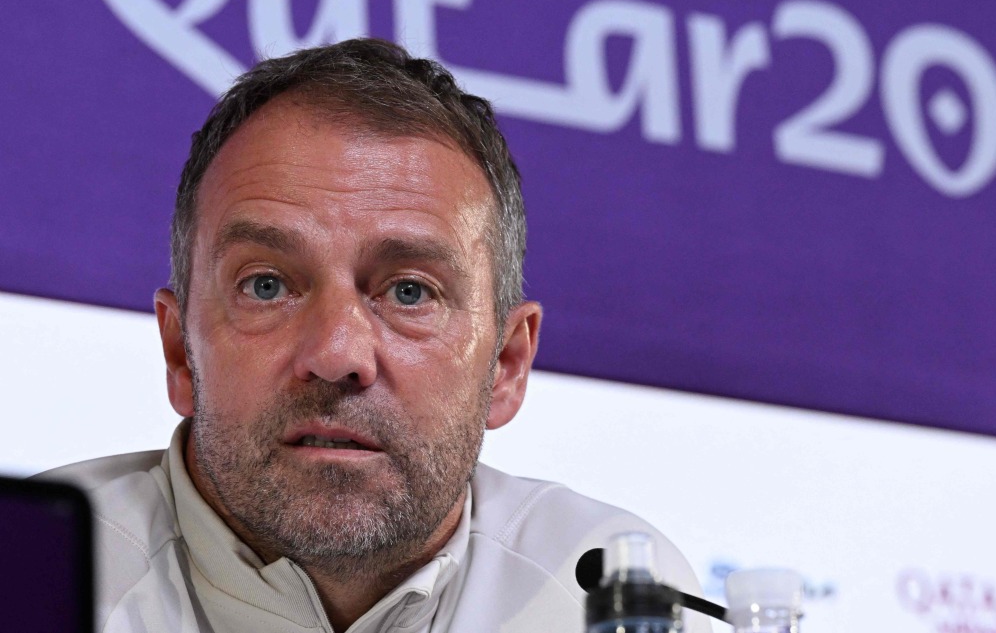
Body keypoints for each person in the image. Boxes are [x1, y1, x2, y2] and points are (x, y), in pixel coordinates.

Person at [41, 39, 708, 633]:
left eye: (410, 291)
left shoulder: (604, 598)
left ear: (505, 364)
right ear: (180, 351)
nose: (337, 353)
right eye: (267, 284)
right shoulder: (31, 574)